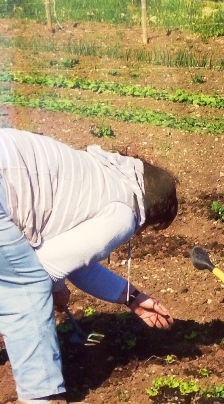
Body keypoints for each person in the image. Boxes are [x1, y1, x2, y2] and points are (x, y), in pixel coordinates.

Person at [0, 128, 178, 404]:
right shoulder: (122, 214)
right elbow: (46, 267)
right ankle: (40, 395)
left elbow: (78, 262)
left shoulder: (105, 174)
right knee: (27, 287)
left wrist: (132, 296)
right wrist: (55, 288)